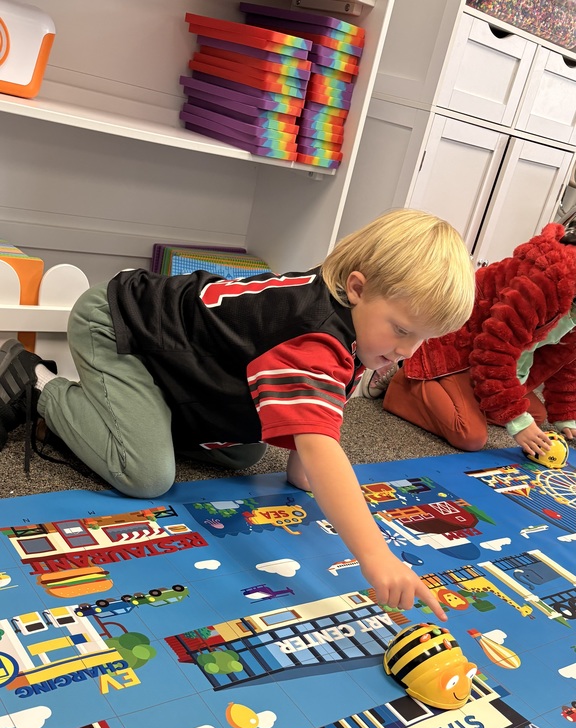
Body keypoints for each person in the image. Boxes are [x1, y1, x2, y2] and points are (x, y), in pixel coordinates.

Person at [0, 208, 475, 618]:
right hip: (120, 326)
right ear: (356, 288)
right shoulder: (313, 334)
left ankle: (131, 415)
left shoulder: (355, 325)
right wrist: (376, 556)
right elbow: (323, 447)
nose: (407, 352)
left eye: (421, 340)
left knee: (244, 453)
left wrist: (307, 471)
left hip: (185, 367)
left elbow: (317, 435)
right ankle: (38, 383)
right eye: (401, 330)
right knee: (146, 476)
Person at [364, 221, 576, 458]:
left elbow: (565, 362)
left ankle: (464, 395)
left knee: (535, 415)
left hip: (496, 359)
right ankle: (403, 383)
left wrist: (566, 412)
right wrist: (517, 421)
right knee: (471, 435)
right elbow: (495, 350)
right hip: (455, 348)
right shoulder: (550, 280)